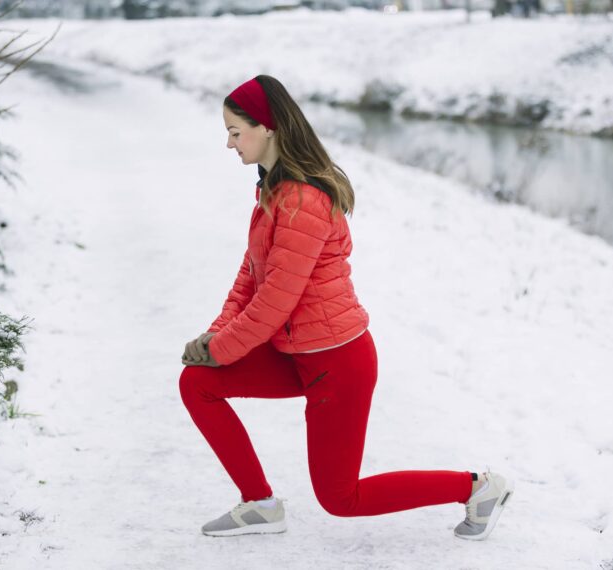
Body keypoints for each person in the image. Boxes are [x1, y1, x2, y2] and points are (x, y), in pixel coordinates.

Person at [178, 75, 514, 540]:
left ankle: (477, 489)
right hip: (296, 353)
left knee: (341, 499)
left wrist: (222, 348)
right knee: (198, 382)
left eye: (236, 132)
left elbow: (276, 300)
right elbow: (249, 278)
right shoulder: (273, 190)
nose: (229, 143)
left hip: (336, 362)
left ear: (268, 128)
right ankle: (258, 504)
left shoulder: (301, 201)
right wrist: (213, 338)